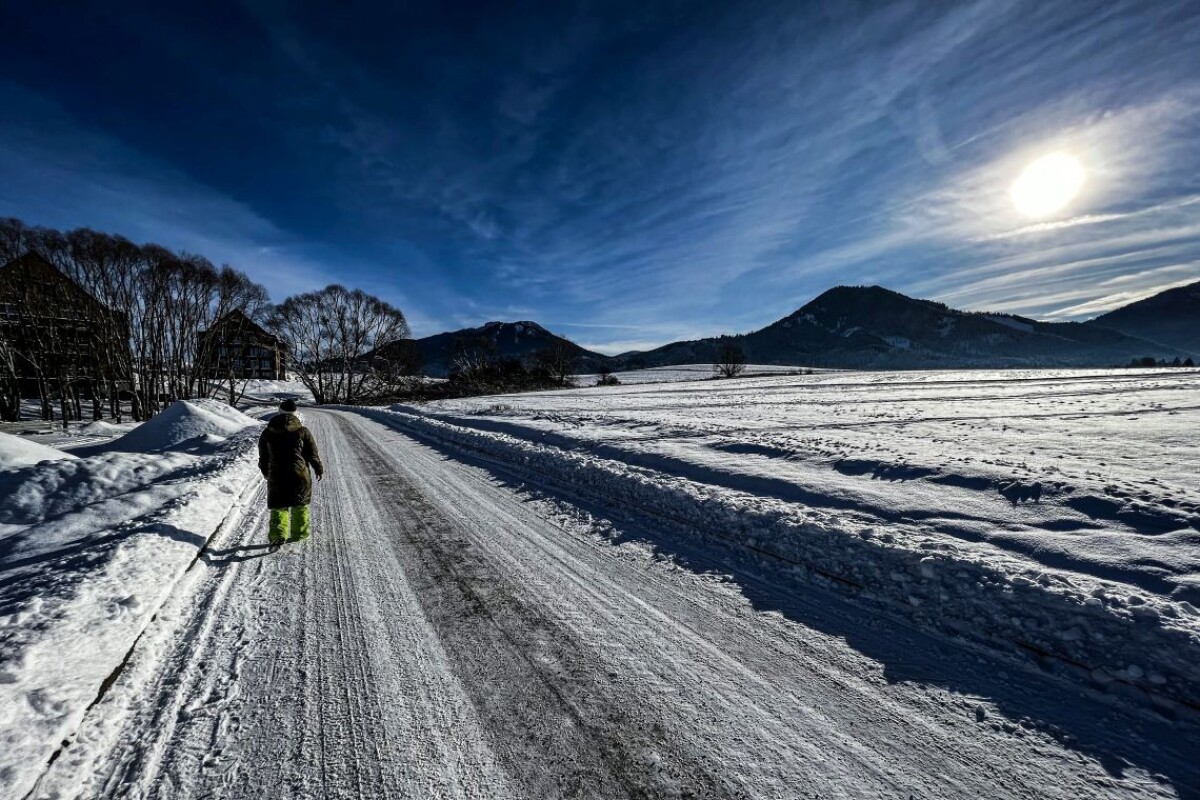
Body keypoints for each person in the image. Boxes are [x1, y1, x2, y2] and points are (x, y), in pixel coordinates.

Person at [258, 399, 324, 546]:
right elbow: (312, 454)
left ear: (279, 410)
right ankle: (300, 534)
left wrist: (264, 470)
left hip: (277, 474)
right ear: (295, 413)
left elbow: (263, 456)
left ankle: (278, 534)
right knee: (299, 505)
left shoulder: (268, 432)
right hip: (299, 474)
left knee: (279, 505)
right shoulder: (303, 431)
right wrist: (318, 469)